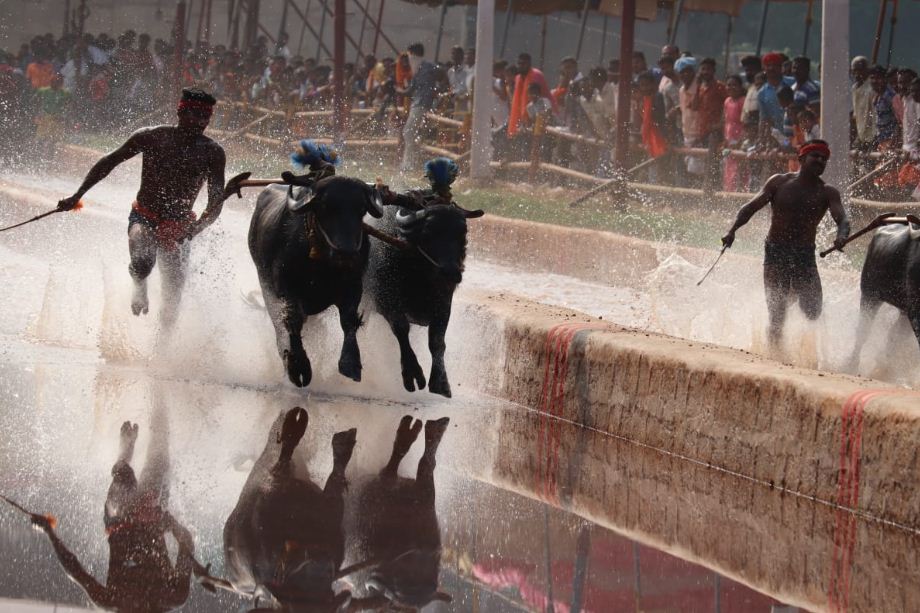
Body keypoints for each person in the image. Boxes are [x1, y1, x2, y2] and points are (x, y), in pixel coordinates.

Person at [57, 87, 227, 326]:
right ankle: (139, 283)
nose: (200, 122)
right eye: (195, 115)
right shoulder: (151, 137)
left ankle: (163, 345)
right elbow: (109, 162)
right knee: (143, 263)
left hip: (180, 227)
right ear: (180, 113)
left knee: (172, 297)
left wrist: (194, 229)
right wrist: (77, 195)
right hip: (144, 216)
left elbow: (215, 203)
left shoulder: (213, 153)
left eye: (205, 117)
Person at [29, 421, 202, 611]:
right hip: (153, 519)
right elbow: (187, 541)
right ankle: (161, 418)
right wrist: (169, 522)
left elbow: (75, 571)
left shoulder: (112, 601)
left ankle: (125, 454)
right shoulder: (174, 596)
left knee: (123, 477)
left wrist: (49, 532)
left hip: (120, 520)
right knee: (159, 459)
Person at [721, 140, 850, 350]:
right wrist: (731, 230)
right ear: (801, 158)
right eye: (815, 156)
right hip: (776, 251)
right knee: (777, 315)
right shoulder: (779, 182)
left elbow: (842, 219)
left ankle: (792, 297)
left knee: (813, 310)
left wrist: (842, 235)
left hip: (804, 255)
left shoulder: (828, 192)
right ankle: (774, 355)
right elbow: (750, 207)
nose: (820, 161)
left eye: (824, 158)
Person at [400, 42, 439, 171]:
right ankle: (410, 162)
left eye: (409, 54)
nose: (408, 57)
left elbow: (442, 75)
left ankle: (409, 164)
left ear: (414, 54)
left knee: (408, 132)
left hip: (423, 103)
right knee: (411, 133)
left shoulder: (428, 66)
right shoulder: (417, 68)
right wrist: (398, 91)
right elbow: (410, 90)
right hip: (417, 103)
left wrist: (440, 93)